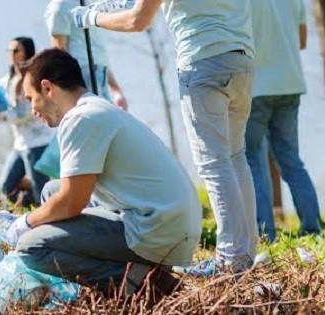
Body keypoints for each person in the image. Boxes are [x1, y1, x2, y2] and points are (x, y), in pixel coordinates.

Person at [72, 0, 259, 276]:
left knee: (215, 163)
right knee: (234, 157)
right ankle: (245, 253)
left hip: (202, 62)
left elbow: (137, 20)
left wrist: (92, 17)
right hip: (241, 59)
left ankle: (231, 259)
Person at [4, 48, 201, 293]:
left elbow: (71, 203)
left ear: (47, 88)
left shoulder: (81, 118)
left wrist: (25, 222)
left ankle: (143, 284)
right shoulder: (95, 108)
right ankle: (134, 270)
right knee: (51, 190)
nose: (33, 110)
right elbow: (67, 194)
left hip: (158, 230)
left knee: (31, 247)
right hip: (167, 221)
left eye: (31, 98)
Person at [246, 0, 321, 242]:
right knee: (291, 161)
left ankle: (266, 234)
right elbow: (301, 41)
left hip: (256, 87)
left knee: (252, 161)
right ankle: (312, 229)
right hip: (290, 84)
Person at [0, 37, 55, 208]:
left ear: (27, 53)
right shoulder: (5, 80)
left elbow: (33, 110)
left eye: (16, 51)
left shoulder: (36, 79)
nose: (12, 55)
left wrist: (6, 116)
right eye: (10, 51)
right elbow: (1, 105)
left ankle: (46, 214)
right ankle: (34, 203)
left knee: (41, 193)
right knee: (6, 188)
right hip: (20, 143)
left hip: (39, 142)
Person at [44, 0, 127, 110]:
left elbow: (98, 54)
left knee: (104, 121)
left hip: (99, 72)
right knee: (97, 121)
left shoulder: (89, 4)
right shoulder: (60, 6)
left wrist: (116, 89)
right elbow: (60, 52)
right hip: (81, 74)